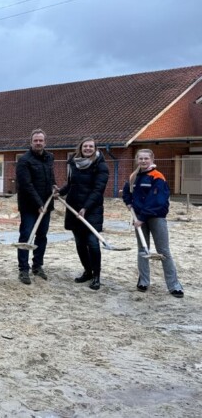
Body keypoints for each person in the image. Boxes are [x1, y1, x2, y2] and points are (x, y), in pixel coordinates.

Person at [122, 149, 184, 298]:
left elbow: (156, 201)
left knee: (164, 251)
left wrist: (141, 218)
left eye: (146, 158)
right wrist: (128, 203)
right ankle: (143, 282)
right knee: (143, 250)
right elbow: (126, 192)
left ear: (151, 159)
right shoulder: (134, 177)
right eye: (140, 158)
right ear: (137, 160)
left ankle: (174, 285)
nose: (143, 161)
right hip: (138, 218)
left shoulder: (157, 177)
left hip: (155, 218)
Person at [56, 137, 109, 290]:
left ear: (95, 148)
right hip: (74, 208)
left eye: (91, 146)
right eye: (85, 146)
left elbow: (98, 189)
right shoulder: (75, 163)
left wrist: (86, 207)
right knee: (80, 244)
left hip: (92, 210)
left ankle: (97, 276)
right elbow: (72, 184)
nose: (87, 149)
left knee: (92, 243)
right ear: (81, 148)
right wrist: (60, 192)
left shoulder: (101, 165)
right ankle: (88, 271)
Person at [16, 128, 56, 285]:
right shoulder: (24, 160)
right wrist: (38, 204)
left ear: (45, 142)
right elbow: (26, 185)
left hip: (46, 205)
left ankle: (37, 266)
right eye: (35, 140)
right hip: (29, 207)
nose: (38, 143)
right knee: (26, 236)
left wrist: (54, 186)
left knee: (42, 236)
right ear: (31, 142)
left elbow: (50, 177)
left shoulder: (49, 157)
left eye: (41, 140)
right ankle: (23, 269)